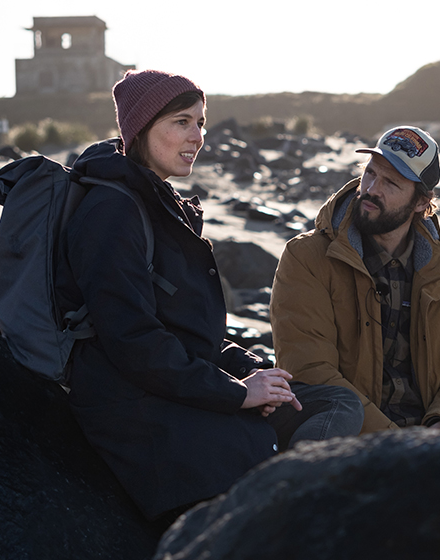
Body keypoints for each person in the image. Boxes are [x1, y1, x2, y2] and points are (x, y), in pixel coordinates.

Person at [57, 70, 361, 524]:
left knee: (335, 402)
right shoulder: (112, 212)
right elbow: (134, 342)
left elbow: (191, 331)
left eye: (201, 122)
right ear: (140, 127)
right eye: (182, 122)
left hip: (180, 385)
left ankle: (291, 502)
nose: (197, 136)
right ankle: (285, 518)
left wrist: (250, 370)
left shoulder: (154, 201)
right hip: (138, 409)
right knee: (264, 453)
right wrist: (237, 395)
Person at [269, 126, 440, 433]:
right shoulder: (307, 257)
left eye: (391, 183)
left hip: (430, 440)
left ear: (421, 203)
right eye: (370, 173)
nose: (372, 189)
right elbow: (309, 369)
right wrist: (393, 443)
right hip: (343, 434)